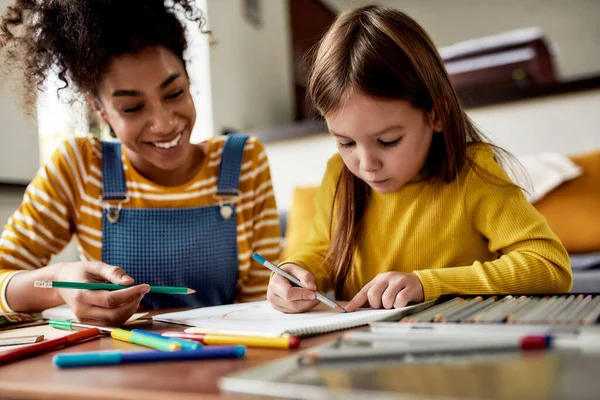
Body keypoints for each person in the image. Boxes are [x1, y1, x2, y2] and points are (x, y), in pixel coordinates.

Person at [267, 5, 572, 314]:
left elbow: (549, 267)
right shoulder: (339, 176)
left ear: (436, 113)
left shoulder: (473, 173)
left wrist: (428, 284)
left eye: (388, 141)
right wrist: (294, 271)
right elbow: (323, 252)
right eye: (345, 142)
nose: (366, 164)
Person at [0, 0, 281, 325]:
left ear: (189, 82)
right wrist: (60, 283)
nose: (163, 124)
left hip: (223, 354)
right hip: (112, 365)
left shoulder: (244, 161)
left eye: (174, 93)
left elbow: (264, 309)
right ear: (100, 109)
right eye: (132, 108)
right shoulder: (79, 168)